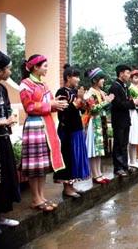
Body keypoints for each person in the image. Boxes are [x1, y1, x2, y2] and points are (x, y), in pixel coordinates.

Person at [19, 54, 68, 212]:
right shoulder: (25, 84)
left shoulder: (44, 85)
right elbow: (29, 107)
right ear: (35, 67)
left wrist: (57, 104)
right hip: (34, 126)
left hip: (46, 126)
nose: (47, 69)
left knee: (42, 164)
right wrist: (50, 104)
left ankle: (41, 196)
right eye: (45, 66)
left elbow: (49, 103)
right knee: (35, 165)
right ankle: (35, 198)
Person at [0, 47, 20, 234]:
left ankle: (1, 216)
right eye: (8, 68)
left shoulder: (1, 88)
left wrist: (9, 119)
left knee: (5, 175)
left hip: (3, 139)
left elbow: (7, 109)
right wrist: (2, 122)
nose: (10, 72)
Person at [53, 64, 90, 198]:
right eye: (76, 76)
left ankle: (72, 186)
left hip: (77, 129)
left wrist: (84, 101)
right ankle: (67, 188)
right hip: (67, 131)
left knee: (75, 159)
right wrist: (79, 100)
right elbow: (64, 112)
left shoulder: (74, 92)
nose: (78, 80)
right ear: (68, 77)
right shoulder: (62, 92)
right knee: (68, 158)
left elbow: (81, 110)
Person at [108, 64, 138, 177]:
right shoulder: (114, 87)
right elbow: (118, 104)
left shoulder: (124, 86)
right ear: (121, 73)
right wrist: (133, 103)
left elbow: (125, 102)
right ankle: (118, 168)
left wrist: (133, 102)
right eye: (127, 73)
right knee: (118, 143)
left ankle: (124, 165)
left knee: (124, 144)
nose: (129, 75)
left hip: (125, 119)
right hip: (118, 120)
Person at [83, 68, 114, 184]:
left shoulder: (102, 92)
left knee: (99, 149)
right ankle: (95, 174)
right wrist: (107, 102)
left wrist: (109, 102)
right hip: (94, 121)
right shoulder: (90, 93)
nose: (103, 81)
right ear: (95, 80)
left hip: (101, 120)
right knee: (94, 148)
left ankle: (99, 173)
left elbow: (105, 107)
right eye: (101, 78)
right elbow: (93, 109)